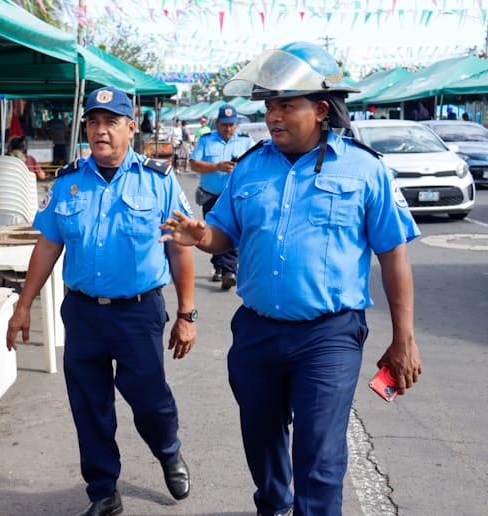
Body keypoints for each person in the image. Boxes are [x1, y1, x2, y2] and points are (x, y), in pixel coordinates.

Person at [160, 42, 422, 516]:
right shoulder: (250, 167)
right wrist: (202, 236)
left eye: (286, 105)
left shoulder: (365, 170)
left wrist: (403, 338)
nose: (273, 117)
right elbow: (223, 235)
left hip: (329, 335)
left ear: (321, 109)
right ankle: (274, 505)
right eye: (269, 107)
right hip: (257, 332)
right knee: (261, 439)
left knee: (319, 454)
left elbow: (393, 255)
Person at [6, 86, 196, 516]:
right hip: (84, 314)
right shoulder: (68, 182)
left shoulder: (158, 180)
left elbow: (179, 250)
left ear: (130, 128)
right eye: (93, 122)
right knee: (89, 406)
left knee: (150, 400)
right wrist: (23, 305)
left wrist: (187, 314)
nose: (101, 130)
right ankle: (103, 492)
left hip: (138, 313)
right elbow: (48, 245)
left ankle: (168, 450)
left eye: (111, 122)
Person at [188, 104, 253, 289]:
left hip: (235, 197)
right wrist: (216, 167)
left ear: (236, 124)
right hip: (211, 196)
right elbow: (194, 164)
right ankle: (219, 266)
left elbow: (255, 166)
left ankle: (229, 270)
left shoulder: (246, 142)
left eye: (232, 125)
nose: (228, 128)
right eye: (224, 124)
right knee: (213, 232)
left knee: (232, 232)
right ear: (217, 123)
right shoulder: (206, 141)